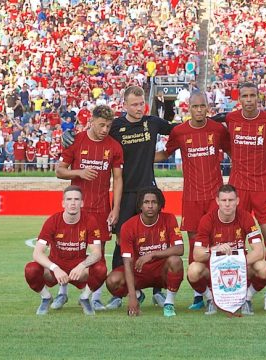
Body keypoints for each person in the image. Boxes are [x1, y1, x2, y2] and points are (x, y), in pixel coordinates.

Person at [62, 86, 176, 309]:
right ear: (124, 105)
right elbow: (94, 130)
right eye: (133, 104)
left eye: (141, 103)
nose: (138, 108)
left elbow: (178, 131)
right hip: (125, 193)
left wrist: (169, 151)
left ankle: (157, 290)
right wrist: (69, 134)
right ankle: (117, 293)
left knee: (155, 238)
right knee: (120, 240)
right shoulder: (115, 127)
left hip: (148, 190)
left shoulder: (152, 122)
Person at [155, 91, 230, 309]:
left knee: (217, 242)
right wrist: (137, 156)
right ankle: (200, 293)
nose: (199, 110)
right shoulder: (179, 131)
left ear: (208, 107)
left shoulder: (217, 129)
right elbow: (163, 155)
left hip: (215, 198)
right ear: (188, 108)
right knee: (196, 244)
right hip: (191, 198)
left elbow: (234, 151)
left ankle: (219, 290)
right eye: (195, 107)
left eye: (202, 106)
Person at [55, 105, 124, 311]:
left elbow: (118, 179)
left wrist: (116, 207)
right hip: (76, 207)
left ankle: (93, 296)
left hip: (101, 209)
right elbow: (59, 171)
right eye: (101, 125)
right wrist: (79, 173)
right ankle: (62, 293)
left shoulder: (114, 146)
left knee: (99, 254)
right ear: (91, 122)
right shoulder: (76, 141)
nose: (105, 130)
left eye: (108, 126)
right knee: (66, 251)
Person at [225, 82, 266, 310]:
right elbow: (224, 143)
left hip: (263, 186)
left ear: (259, 97)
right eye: (245, 96)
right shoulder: (231, 119)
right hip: (238, 187)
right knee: (234, 235)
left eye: (252, 96)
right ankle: (235, 288)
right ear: (239, 99)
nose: (249, 100)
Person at [24, 186, 107, 315]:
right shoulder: (53, 221)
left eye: (76, 199)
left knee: (101, 269)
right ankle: (46, 297)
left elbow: (97, 252)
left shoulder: (90, 221)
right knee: (31, 269)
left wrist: (82, 265)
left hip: (78, 270)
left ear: (82, 203)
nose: (73, 203)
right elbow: (37, 253)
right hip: (56, 268)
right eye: (69, 199)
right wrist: (54, 268)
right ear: (63, 203)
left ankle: (85, 298)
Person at [187, 185, 266, 315]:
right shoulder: (207, 219)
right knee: (193, 270)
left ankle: (246, 298)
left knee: (263, 267)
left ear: (237, 201)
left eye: (231, 200)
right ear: (217, 201)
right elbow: (197, 254)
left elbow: (259, 251)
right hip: (215, 269)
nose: (227, 204)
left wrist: (236, 262)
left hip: (239, 268)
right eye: (224, 200)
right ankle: (211, 299)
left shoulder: (246, 217)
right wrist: (215, 249)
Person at [105, 187, 184, 317]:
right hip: (139, 271)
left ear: (160, 205)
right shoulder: (128, 226)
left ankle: (169, 303)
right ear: (140, 205)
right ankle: (137, 295)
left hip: (161, 271)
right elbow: (128, 262)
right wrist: (131, 297)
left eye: (154, 202)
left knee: (175, 261)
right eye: (146, 202)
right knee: (112, 281)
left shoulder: (169, 219)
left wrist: (152, 254)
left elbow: (180, 249)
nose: (150, 206)